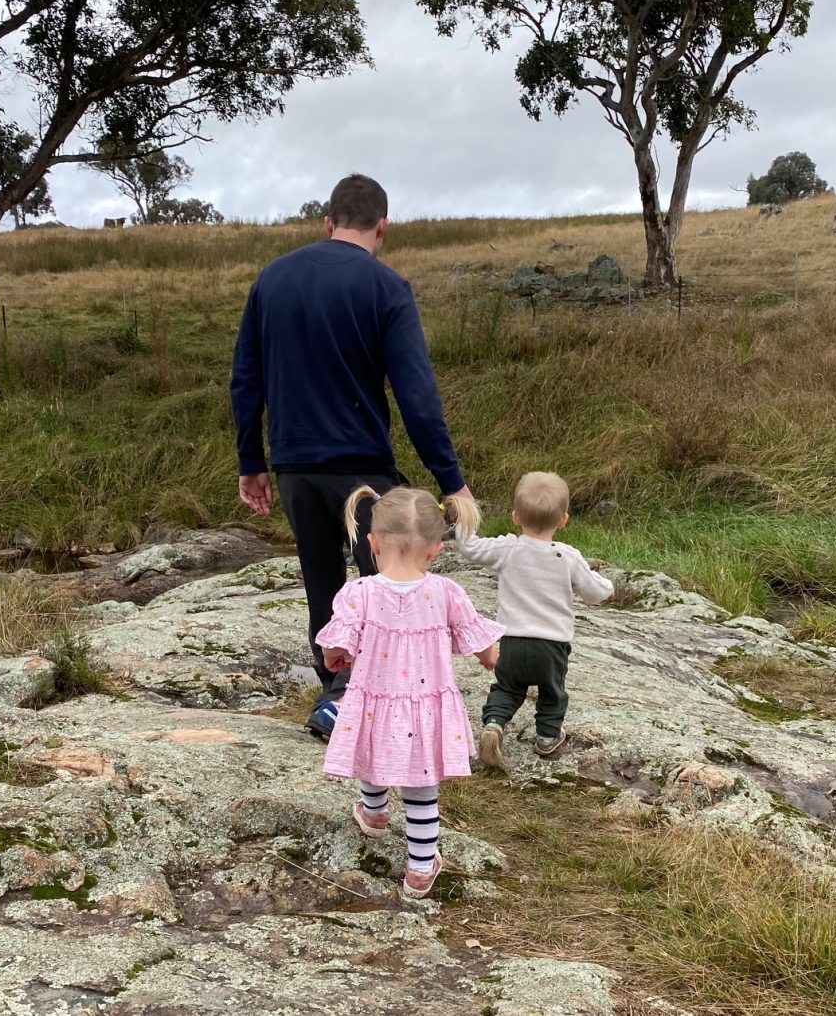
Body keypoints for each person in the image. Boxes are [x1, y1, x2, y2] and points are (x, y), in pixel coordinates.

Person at [231, 174, 472, 741]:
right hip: (360, 469)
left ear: (327, 222)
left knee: (323, 580)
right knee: (388, 583)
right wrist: (450, 480)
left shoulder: (272, 279)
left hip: (292, 464)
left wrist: (252, 460)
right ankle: (358, 700)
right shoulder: (387, 288)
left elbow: (246, 379)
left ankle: (333, 689)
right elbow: (417, 397)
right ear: (382, 226)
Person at [317, 485, 502, 898]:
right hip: (426, 707)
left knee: (371, 751)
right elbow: (481, 643)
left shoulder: (358, 593)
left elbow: (336, 643)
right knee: (421, 788)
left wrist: (335, 657)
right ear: (435, 549)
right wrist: (490, 657)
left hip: (374, 700)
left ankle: (375, 812)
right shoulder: (446, 592)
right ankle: (420, 868)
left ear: (372, 543)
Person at [454, 471, 613, 765]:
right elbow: (594, 591)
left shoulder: (508, 549)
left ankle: (494, 724)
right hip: (552, 646)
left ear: (515, 516)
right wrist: (609, 588)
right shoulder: (567, 557)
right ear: (563, 519)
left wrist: (465, 516)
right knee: (552, 692)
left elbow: (470, 547)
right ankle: (548, 738)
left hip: (512, 641)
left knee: (506, 688)